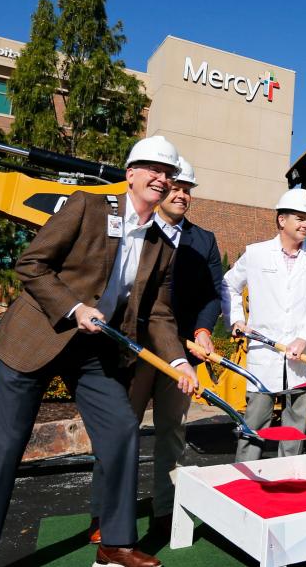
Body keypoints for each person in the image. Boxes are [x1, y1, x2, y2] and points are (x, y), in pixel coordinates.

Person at [0, 136, 192, 567]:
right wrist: (73, 306)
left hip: (92, 351)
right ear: (132, 172)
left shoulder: (161, 242)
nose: (161, 178)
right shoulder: (88, 206)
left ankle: (115, 544)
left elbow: (157, 311)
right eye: (152, 168)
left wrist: (177, 360)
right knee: (1, 453)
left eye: (168, 172)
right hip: (37, 338)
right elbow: (31, 265)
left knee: (120, 431)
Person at [88, 157, 223, 541]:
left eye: (187, 190)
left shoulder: (203, 240)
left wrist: (202, 328)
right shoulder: (136, 230)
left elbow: (211, 294)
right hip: (131, 350)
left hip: (177, 356)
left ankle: (166, 511)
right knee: (120, 431)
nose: (181, 194)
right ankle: (104, 514)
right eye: (176, 187)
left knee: (172, 433)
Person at [222, 188, 306, 462]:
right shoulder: (256, 254)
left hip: (302, 356)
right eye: (299, 218)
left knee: (295, 423)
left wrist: (305, 338)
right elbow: (229, 285)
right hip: (265, 353)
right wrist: (236, 318)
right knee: (256, 419)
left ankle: (288, 472)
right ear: (281, 220)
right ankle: (244, 474)